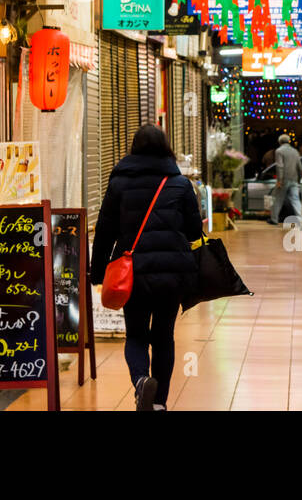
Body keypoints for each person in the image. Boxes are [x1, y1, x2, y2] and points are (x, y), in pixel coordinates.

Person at [90, 124, 203, 411]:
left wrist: (97, 271)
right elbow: (193, 231)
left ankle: (141, 381)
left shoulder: (119, 183)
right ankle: (160, 402)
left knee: (137, 334)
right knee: (164, 336)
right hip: (172, 273)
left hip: (133, 274)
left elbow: (105, 230)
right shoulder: (180, 184)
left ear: (134, 148)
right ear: (166, 147)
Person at [268, 133, 302, 224]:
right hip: (294, 179)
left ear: (280, 142)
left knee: (278, 199)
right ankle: (300, 218)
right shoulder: (295, 151)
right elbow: (300, 167)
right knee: (295, 199)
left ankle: (274, 219)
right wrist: (299, 179)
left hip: (284, 179)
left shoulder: (279, 151)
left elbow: (280, 166)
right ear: (288, 141)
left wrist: (279, 180)